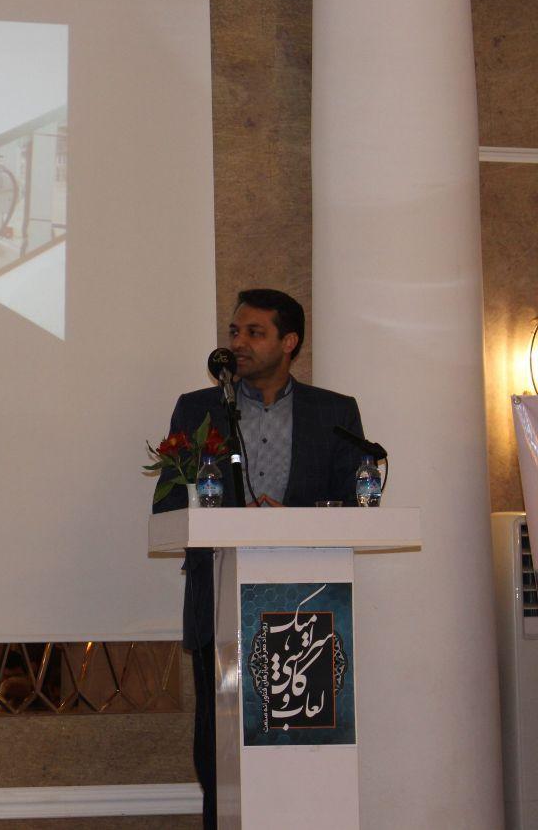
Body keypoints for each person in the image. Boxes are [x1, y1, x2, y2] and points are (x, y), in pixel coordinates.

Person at [152, 288, 367, 829]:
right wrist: (231, 516)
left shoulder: (334, 412)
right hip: (219, 601)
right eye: (234, 332)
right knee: (218, 744)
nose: (238, 343)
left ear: (289, 342)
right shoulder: (196, 410)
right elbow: (169, 503)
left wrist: (289, 520)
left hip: (309, 608)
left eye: (254, 332)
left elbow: (354, 505)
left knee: (302, 743)